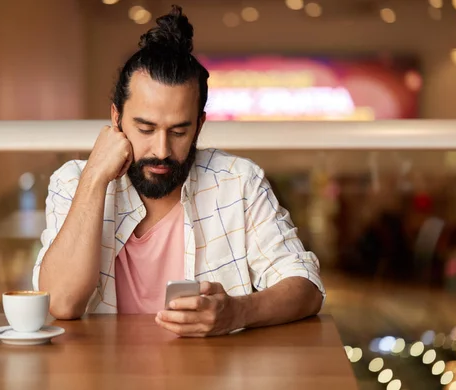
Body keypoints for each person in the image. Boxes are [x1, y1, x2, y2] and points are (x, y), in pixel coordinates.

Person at [33, 5, 324, 337]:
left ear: (199, 126)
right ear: (116, 119)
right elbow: (61, 302)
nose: (161, 150)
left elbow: (306, 287)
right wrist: (95, 178)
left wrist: (238, 312)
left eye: (178, 132)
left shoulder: (239, 181)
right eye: (145, 129)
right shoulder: (73, 182)